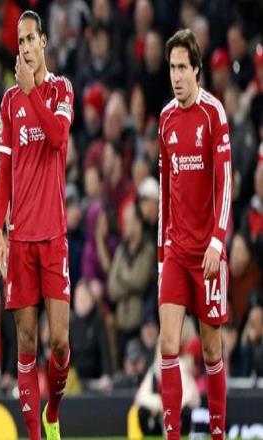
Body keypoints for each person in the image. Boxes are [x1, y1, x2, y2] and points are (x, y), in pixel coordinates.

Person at [0, 10, 74, 440]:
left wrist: (33, 93)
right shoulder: (8, 102)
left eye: (30, 39)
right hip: (20, 238)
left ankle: (53, 412)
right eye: (19, 41)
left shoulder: (61, 89)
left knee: (58, 343)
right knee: (26, 344)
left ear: (43, 41)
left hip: (54, 235)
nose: (24, 47)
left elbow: (58, 138)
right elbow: (4, 171)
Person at [158, 29, 232, 439]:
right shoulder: (165, 119)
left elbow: (226, 183)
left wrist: (218, 241)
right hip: (175, 251)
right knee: (168, 344)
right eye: (171, 67)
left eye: (182, 67)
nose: (176, 76)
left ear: (197, 70)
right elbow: (164, 194)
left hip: (208, 253)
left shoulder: (213, 114)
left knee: (210, 349)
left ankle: (217, 434)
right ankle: (173, 435)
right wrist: (160, 256)